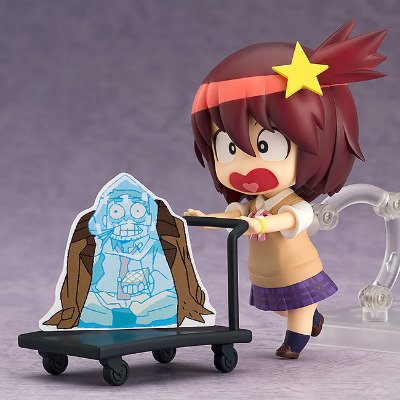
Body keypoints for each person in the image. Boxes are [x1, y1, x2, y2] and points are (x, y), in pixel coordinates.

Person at [185, 21, 387, 359]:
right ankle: (312, 316)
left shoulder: (292, 204)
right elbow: (234, 217)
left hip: (298, 268)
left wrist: (262, 224)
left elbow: (290, 220)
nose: (244, 166)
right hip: (266, 271)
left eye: (266, 146)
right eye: (229, 148)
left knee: (297, 307)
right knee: (281, 307)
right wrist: (205, 219)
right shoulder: (253, 203)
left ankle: (295, 341)